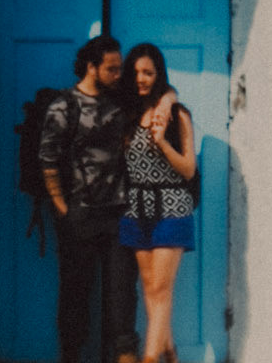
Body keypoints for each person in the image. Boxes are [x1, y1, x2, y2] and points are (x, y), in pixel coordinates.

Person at [39, 34, 139, 363]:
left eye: (119, 67)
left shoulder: (119, 101)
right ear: (91, 67)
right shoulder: (64, 105)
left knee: (122, 297)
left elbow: (162, 91)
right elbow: (48, 160)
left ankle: (125, 356)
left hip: (118, 214)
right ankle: (71, 356)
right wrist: (63, 209)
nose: (118, 74)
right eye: (111, 68)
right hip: (79, 215)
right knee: (75, 294)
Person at [119, 42, 197, 363]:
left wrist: (162, 142)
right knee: (150, 287)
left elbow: (189, 169)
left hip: (172, 208)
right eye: (136, 73)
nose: (142, 79)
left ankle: (149, 358)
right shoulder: (128, 113)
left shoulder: (178, 115)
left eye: (148, 73)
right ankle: (170, 353)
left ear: (159, 74)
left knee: (162, 289)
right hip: (136, 209)